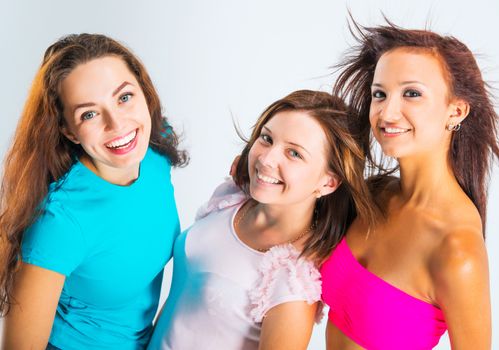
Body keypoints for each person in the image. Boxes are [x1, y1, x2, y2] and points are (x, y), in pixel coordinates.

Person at [147, 90, 378, 350]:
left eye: (295, 154)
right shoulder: (231, 198)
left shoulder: (293, 280)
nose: (266, 159)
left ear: (328, 182)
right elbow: (185, 300)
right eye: (267, 138)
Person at [0, 34, 187, 349]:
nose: (117, 123)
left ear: (144, 91)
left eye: (124, 97)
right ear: (68, 131)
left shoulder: (154, 151)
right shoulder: (60, 222)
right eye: (89, 114)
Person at [321, 20, 498, 350]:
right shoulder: (374, 195)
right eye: (380, 94)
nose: (388, 112)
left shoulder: (456, 248)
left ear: (456, 111)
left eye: (412, 94)